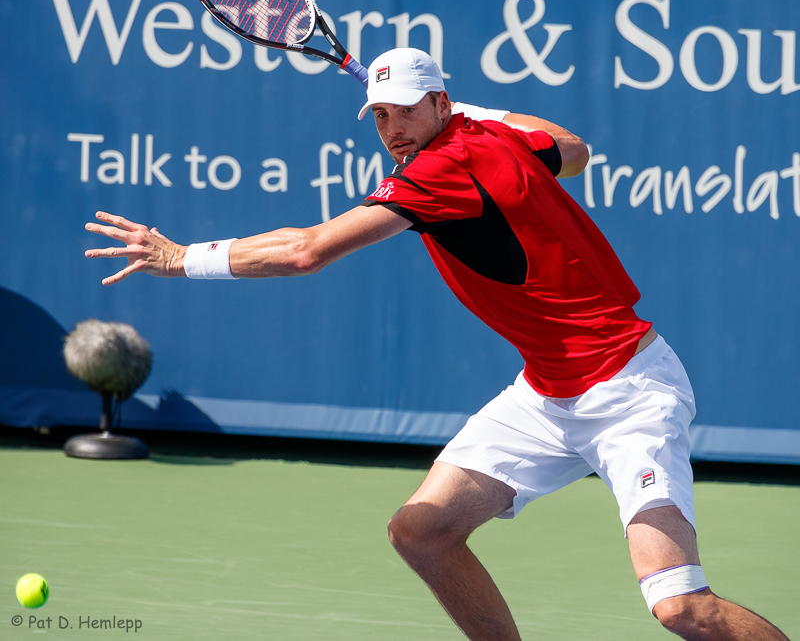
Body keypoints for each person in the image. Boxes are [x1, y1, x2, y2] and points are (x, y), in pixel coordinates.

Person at [85, 48, 789, 641]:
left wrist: (182, 258)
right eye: (381, 116)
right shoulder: (498, 136)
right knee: (420, 531)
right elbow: (573, 148)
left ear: (441, 103)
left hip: (629, 391)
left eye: (407, 110)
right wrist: (473, 112)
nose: (392, 129)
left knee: (679, 605)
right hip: (547, 393)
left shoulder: (438, 172)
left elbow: (305, 251)